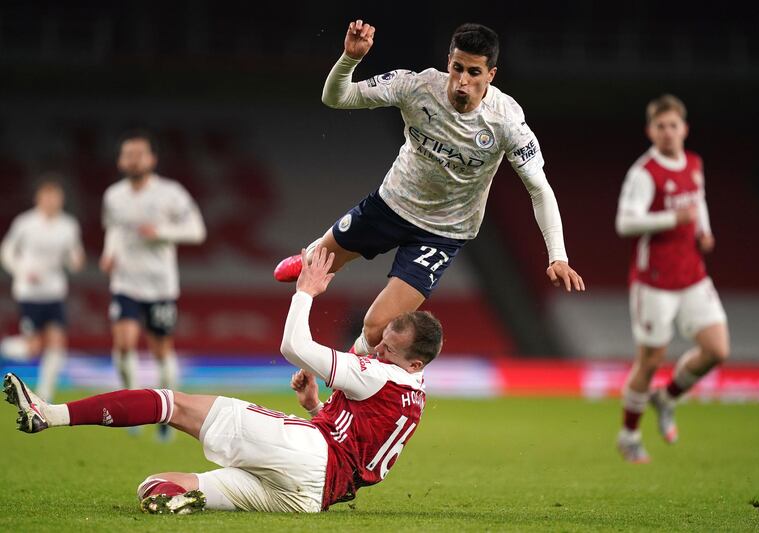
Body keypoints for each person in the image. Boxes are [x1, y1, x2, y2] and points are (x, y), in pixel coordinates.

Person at [4, 245, 440, 514]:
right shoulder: (412, 395)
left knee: (172, 403)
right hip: (312, 495)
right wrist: (313, 406)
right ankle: (182, 500)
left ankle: (49, 414)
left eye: (388, 349)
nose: (377, 350)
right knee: (155, 486)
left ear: (415, 363)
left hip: (309, 454)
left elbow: (294, 348)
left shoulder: (382, 376)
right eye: (380, 343)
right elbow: (358, 445)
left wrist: (304, 293)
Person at [274, 20, 585, 355]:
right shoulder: (417, 86)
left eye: (474, 73)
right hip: (389, 205)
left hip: (442, 233)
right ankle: (315, 252)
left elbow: (539, 189)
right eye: (457, 68)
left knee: (377, 327)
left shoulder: (506, 121)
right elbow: (337, 97)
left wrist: (558, 256)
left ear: (491, 75)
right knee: (310, 268)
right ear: (448, 62)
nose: (463, 81)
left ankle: (343, 381)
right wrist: (350, 59)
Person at [615, 94, 729, 463]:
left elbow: (699, 201)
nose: (667, 132)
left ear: (684, 128)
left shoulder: (693, 163)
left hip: (692, 275)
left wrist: (704, 230)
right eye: (660, 126)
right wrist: (671, 220)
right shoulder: (644, 173)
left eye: (673, 125)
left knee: (717, 350)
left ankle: (667, 398)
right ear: (650, 131)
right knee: (650, 360)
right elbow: (625, 223)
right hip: (655, 281)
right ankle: (629, 435)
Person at [100, 130, 206, 440]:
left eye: (138, 154)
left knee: (161, 351)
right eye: (127, 154)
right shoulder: (113, 196)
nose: (132, 159)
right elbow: (114, 231)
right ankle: (133, 408)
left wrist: (160, 231)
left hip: (160, 284)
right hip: (125, 282)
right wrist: (109, 255)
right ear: (121, 160)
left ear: (152, 159)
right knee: (123, 343)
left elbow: (196, 230)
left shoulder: (171, 193)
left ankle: (167, 412)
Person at [0, 178, 84, 401]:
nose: (51, 201)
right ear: (38, 199)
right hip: (29, 292)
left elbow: (73, 255)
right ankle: (4, 347)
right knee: (34, 347)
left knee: (57, 341)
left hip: (54, 291)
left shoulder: (69, 225)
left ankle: (45, 394)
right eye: (47, 197)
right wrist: (21, 271)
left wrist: (75, 261)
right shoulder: (25, 223)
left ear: (61, 200)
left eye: (55, 197)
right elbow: (7, 250)